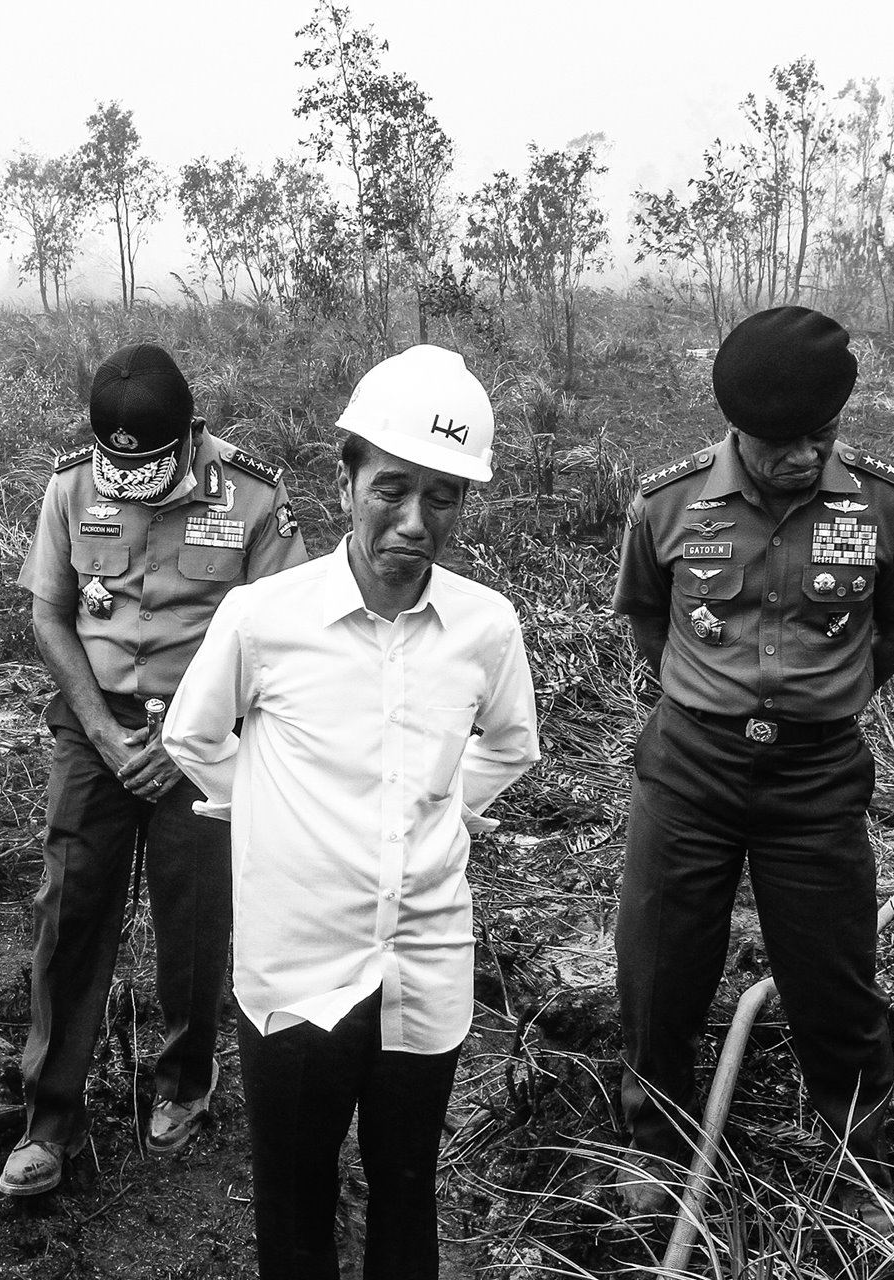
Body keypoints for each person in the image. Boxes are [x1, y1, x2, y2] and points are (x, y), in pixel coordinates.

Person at [163, 345, 540, 1278]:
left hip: (426, 958)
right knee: (295, 1199)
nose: (414, 523)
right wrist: (270, 816)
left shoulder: (485, 628)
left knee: (407, 1186)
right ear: (347, 480)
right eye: (392, 489)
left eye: (443, 498)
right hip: (298, 965)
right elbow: (195, 738)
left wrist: (440, 807)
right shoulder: (263, 618)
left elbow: (511, 743)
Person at [610, 306, 894, 1228]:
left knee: (833, 977)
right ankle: (656, 1147)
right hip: (691, 770)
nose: (799, 457)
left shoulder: (884, 507)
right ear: (735, 429)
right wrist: (704, 693)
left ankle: (856, 1161)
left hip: (815, 777)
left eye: (819, 438)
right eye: (776, 443)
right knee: (659, 969)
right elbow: (647, 616)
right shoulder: (668, 504)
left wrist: (826, 698)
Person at [0, 343, 308, 1197]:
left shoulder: (253, 496)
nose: (127, 487)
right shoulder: (71, 486)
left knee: (196, 919)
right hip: (94, 729)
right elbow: (50, 613)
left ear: (187, 436)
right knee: (70, 914)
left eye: (150, 469)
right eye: (115, 470)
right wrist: (102, 733)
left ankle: (184, 1085)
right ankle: (49, 1118)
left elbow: (280, 640)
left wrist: (188, 746)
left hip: (204, 740)